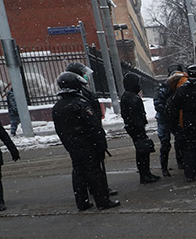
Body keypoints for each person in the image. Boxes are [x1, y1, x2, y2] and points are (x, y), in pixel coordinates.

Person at [52, 71, 120, 211]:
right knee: (94, 172)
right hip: (88, 144)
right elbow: (94, 126)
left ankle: (82, 202)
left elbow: (60, 130)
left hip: (73, 146)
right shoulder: (81, 104)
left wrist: (69, 144)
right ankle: (102, 201)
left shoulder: (58, 107)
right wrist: (101, 143)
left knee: (78, 172)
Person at [66, 62, 117, 197]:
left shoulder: (80, 91)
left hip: (86, 134)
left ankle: (95, 190)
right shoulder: (79, 93)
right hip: (88, 135)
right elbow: (88, 114)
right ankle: (99, 190)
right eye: (83, 74)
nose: (85, 76)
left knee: (86, 166)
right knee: (93, 166)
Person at [120, 72, 161, 183]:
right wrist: (140, 125)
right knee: (143, 151)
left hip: (133, 127)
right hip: (136, 128)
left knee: (142, 151)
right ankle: (145, 174)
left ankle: (145, 173)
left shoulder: (127, 96)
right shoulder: (131, 97)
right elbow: (135, 116)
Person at [152, 64, 184, 176]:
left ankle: (180, 162)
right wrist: (169, 110)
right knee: (165, 144)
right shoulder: (164, 89)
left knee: (180, 140)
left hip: (173, 118)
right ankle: (164, 168)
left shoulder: (180, 86)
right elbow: (158, 104)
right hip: (164, 119)